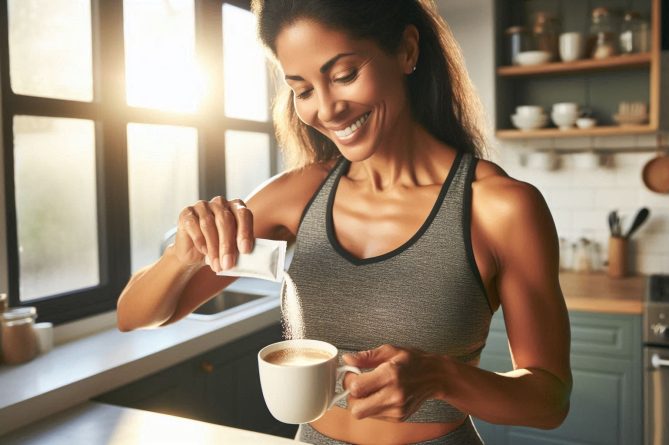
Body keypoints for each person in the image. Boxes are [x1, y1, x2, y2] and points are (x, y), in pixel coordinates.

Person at [115, 1, 572, 444]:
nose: (328, 109)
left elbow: (550, 400)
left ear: (407, 50)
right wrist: (182, 255)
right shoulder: (296, 195)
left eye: (344, 75)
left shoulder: (500, 208)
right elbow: (136, 315)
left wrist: (440, 377)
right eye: (303, 89)